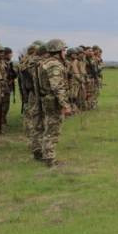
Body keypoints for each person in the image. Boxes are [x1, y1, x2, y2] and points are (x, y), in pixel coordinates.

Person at [36, 39, 72, 167]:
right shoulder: (54, 64)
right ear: (57, 51)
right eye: (63, 50)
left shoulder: (48, 62)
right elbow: (57, 86)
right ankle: (50, 160)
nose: (65, 52)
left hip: (49, 100)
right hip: (53, 102)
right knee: (52, 131)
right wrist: (65, 105)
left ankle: (47, 156)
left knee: (49, 129)